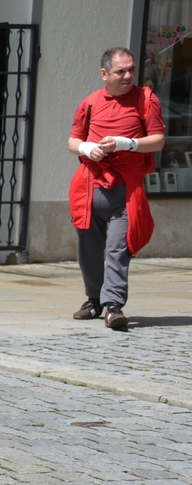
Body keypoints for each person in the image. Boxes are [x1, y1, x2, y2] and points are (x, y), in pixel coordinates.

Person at [67, 47, 163, 332]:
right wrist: (87, 148)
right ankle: (93, 300)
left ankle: (113, 306)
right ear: (104, 74)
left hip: (125, 189)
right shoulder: (91, 102)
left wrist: (127, 143)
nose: (128, 76)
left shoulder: (146, 99)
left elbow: (157, 140)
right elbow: (73, 141)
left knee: (118, 249)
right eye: (120, 71)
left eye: (131, 69)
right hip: (89, 187)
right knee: (88, 250)